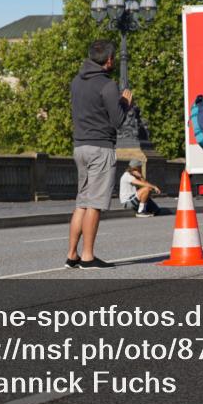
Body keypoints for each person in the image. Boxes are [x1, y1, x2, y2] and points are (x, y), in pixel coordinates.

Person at [66, 40, 132, 269]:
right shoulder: (107, 85)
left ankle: (72, 255)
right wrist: (125, 103)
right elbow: (118, 121)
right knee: (94, 204)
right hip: (100, 147)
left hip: (80, 146)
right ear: (110, 59)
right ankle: (87, 257)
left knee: (82, 203)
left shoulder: (76, 81)